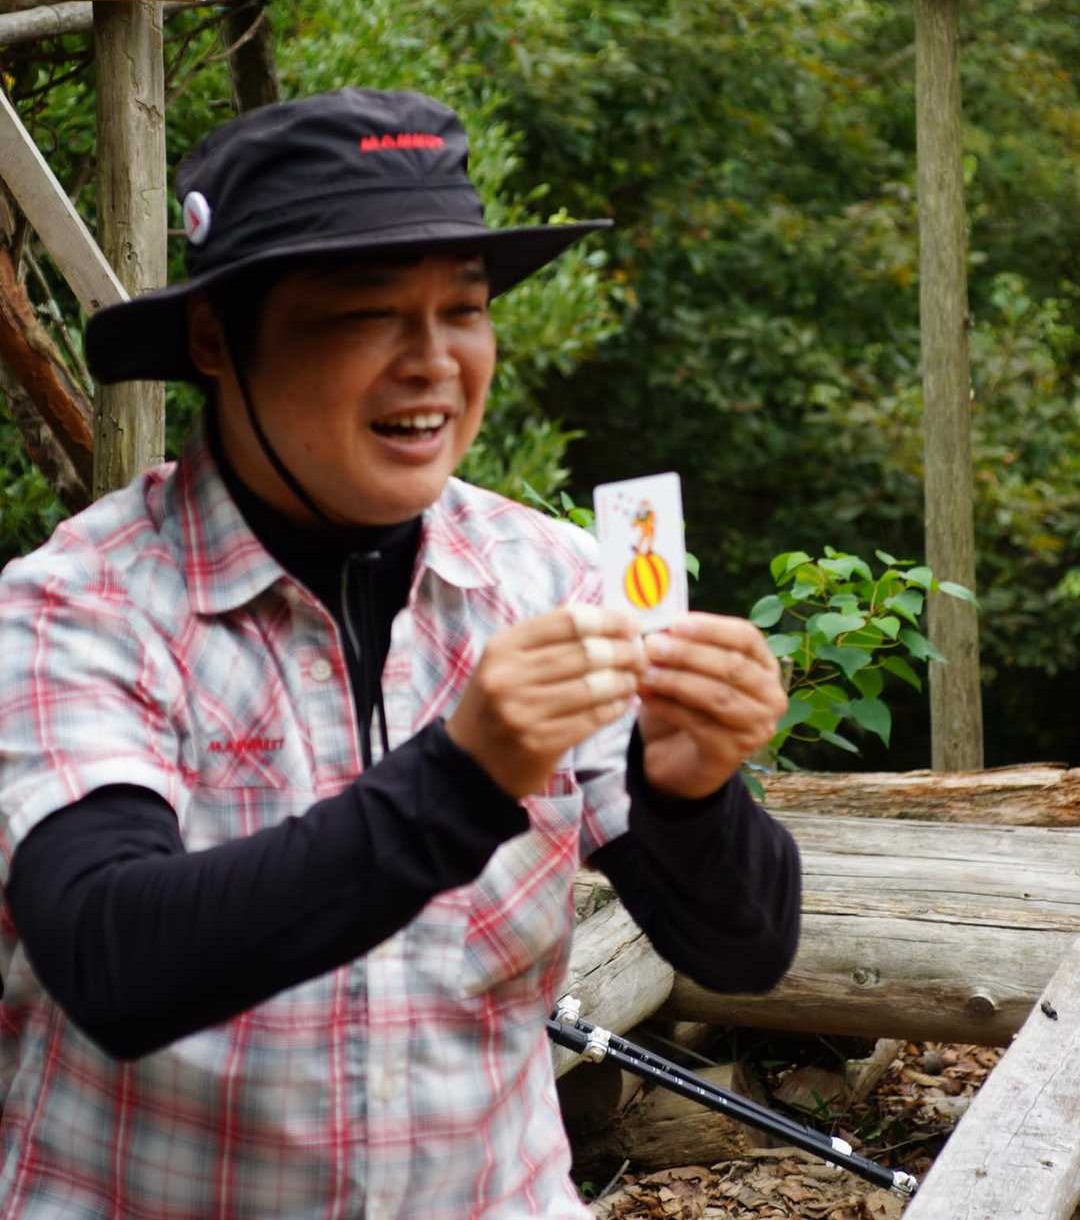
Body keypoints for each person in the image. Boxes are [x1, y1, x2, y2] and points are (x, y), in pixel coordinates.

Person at [0, 88, 798, 1220]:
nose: (433, 361)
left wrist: (691, 793)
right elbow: (111, 956)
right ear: (217, 339)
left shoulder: (550, 579)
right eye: (366, 313)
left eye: (462, 310)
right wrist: (462, 777)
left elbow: (742, 947)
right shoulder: (82, 604)